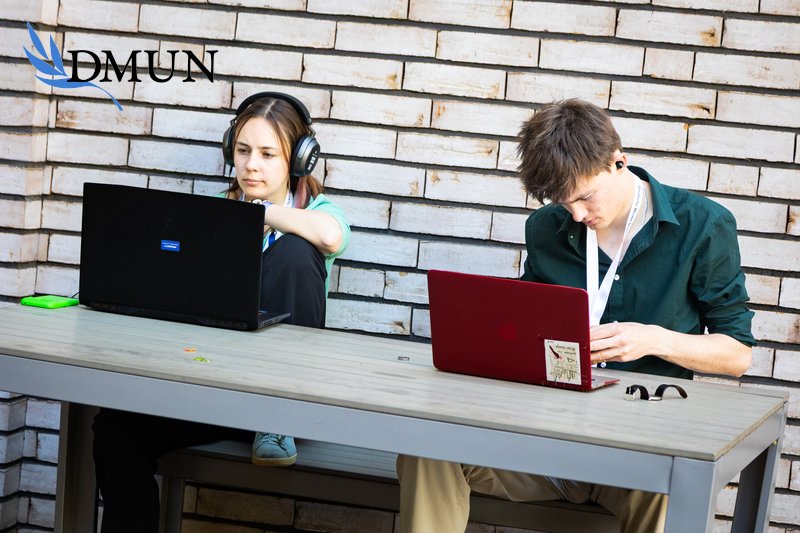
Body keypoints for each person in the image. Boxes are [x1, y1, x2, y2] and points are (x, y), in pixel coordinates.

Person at [396, 98, 754, 533]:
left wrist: (652, 339)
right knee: (427, 449)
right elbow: (522, 331)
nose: (578, 215)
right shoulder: (546, 227)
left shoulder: (703, 225)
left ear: (618, 162)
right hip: (543, 440)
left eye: (584, 197)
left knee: (668, 492)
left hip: (638, 451)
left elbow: (738, 354)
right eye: (564, 203)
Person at [92, 92, 350, 533]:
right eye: (243, 151)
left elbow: (330, 237)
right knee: (114, 429)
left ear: (299, 159)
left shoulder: (318, 211)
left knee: (296, 251)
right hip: (212, 389)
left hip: (277, 405)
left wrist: (263, 215)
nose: (251, 165)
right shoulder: (212, 209)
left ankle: (276, 418)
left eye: (268, 154)